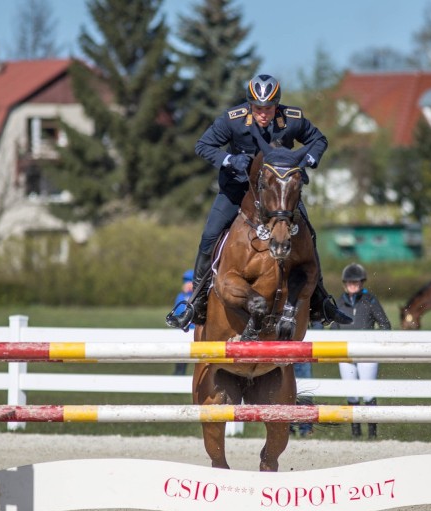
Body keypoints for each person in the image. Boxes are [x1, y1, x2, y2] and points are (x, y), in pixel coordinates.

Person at [165, 73, 351, 331]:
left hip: (278, 194)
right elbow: (203, 145)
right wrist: (229, 160)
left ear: (277, 105)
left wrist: (307, 160)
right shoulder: (233, 120)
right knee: (210, 235)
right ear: (250, 104)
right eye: (258, 108)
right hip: (237, 190)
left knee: (309, 234)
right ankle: (195, 302)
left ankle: (320, 300)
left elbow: (319, 140)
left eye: (269, 108)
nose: (263, 114)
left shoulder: (292, 119)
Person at [330, 263, 391, 439]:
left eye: (356, 282)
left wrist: (376, 344)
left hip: (367, 354)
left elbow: (385, 324)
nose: (353, 285)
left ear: (361, 283)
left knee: (368, 392)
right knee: (351, 392)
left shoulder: (370, 300)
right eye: (350, 282)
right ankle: (355, 432)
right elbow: (334, 328)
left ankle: (372, 432)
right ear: (345, 284)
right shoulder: (339, 302)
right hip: (345, 354)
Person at [171, 269, 195, 375]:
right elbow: (177, 312)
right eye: (186, 281)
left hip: (194, 333)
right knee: (180, 363)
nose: (187, 284)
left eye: (189, 281)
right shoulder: (181, 296)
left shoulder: (197, 297)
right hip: (182, 334)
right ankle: (176, 381)